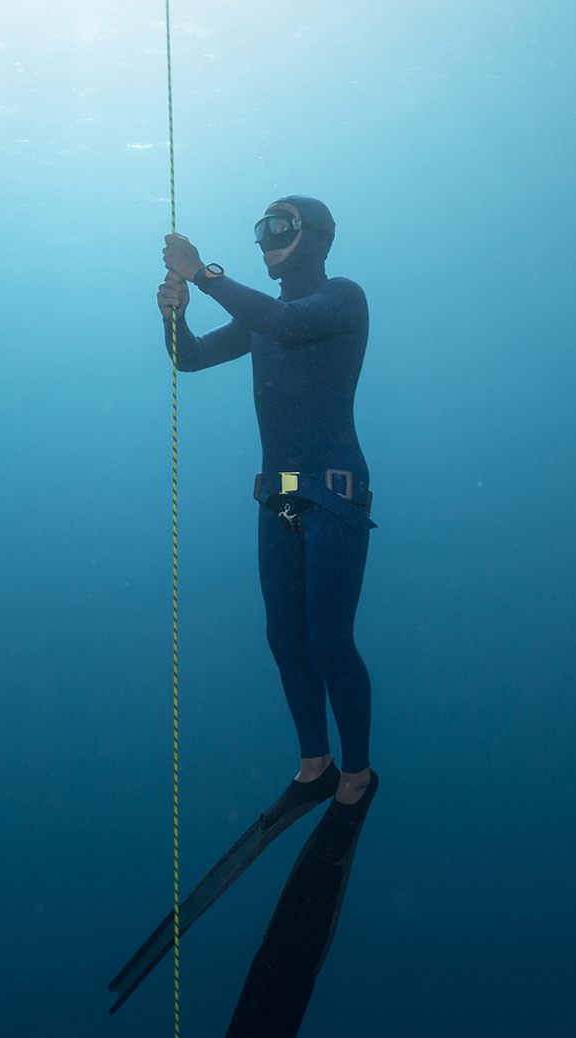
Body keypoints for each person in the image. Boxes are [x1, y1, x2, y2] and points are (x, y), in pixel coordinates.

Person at [157, 196, 377, 808]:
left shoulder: (343, 299)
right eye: (260, 228)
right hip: (280, 498)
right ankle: (316, 765)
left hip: (334, 495)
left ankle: (357, 777)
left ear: (316, 237)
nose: (264, 239)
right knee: (285, 636)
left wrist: (204, 274)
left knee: (330, 639)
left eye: (278, 227)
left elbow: (286, 325)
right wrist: (172, 316)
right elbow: (190, 358)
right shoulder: (262, 315)